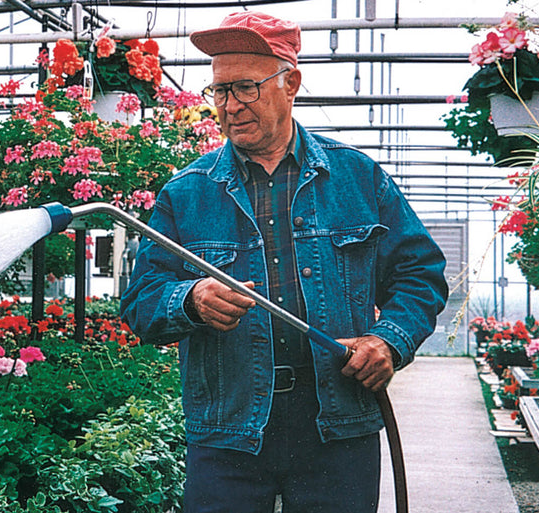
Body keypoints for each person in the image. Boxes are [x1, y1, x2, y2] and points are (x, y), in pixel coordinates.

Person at [120, 11, 448, 513]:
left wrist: (388, 340)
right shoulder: (186, 195)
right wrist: (189, 299)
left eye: (245, 88)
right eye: (220, 91)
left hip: (337, 422)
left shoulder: (357, 180)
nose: (230, 107)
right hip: (228, 429)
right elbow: (141, 299)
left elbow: (418, 275)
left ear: (290, 82)